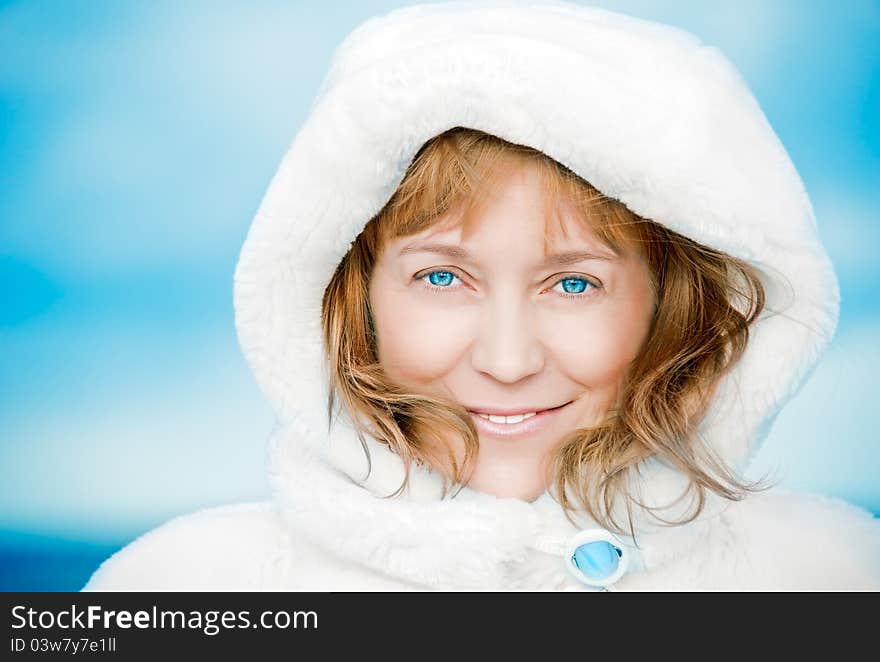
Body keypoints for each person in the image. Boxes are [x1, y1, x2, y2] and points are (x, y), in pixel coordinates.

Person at [83, 0, 880, 591]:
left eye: (573, 283)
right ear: (346, 296)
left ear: (676, 309)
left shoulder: (830, 576)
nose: (505, 361)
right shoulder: (180, 590)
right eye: (441, 278)